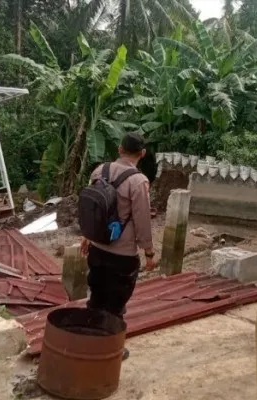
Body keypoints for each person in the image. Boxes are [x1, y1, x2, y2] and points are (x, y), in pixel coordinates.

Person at [80, 132, 157, 360]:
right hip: (122, 255)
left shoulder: (99, 170)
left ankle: (88, 341)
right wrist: (149, 253)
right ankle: (109, 350)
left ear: (119, 149)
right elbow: (142, 219)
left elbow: (89, 208)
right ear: (142, 154)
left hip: (97, 248)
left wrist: (87, 236)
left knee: (96, 296)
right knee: (115, 303)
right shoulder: (138, 181)